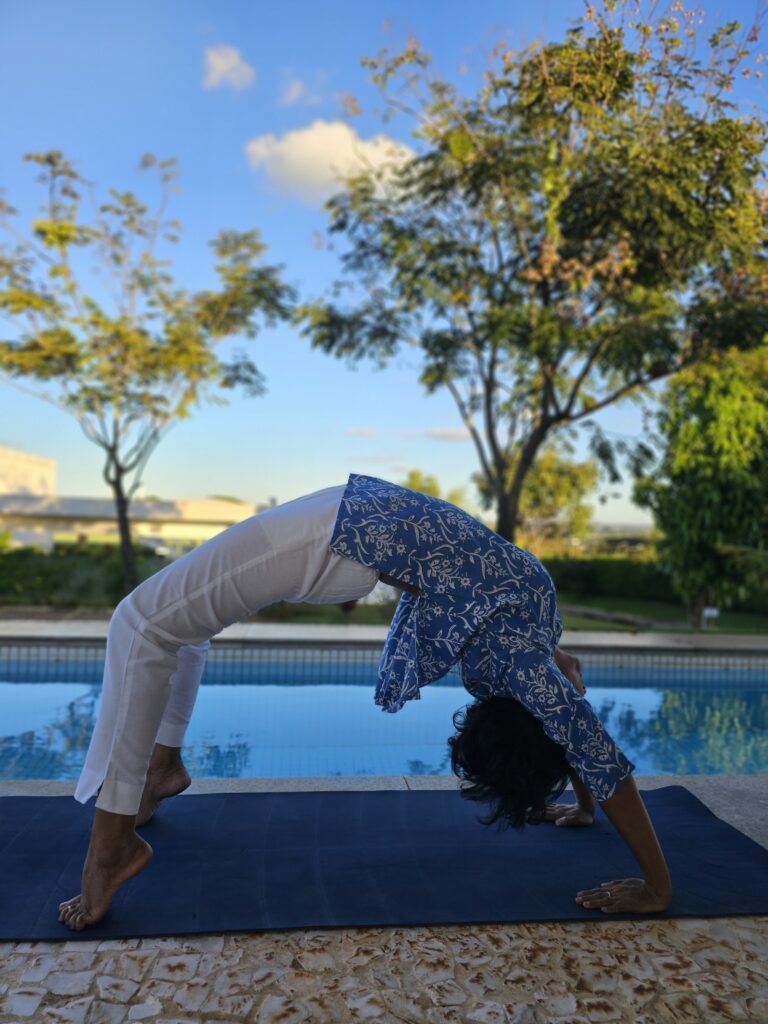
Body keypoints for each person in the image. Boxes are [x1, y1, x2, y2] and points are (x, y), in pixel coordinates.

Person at [58, 473, 671, 931]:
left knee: (144, 624)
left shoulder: (535, 642)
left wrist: (585, 800)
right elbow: (587, 744)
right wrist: (656, 884)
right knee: (154, 624)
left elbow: (573, 729)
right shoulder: (525, 671)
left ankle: (114, 845)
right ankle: (158, 772)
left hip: (346, 521)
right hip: (339, 533)